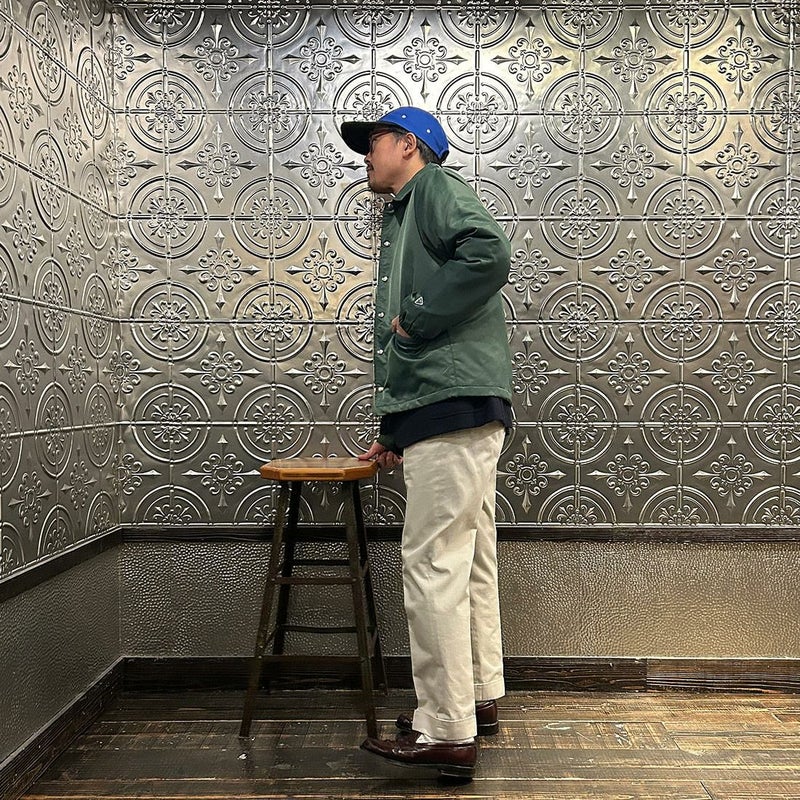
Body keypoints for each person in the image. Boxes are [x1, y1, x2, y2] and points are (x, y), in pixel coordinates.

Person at [339, 107, 514, 781]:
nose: (366, 155)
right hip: (454, 405)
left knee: (433, 563)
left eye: (373, 142)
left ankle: (444, 728)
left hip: (450, 402)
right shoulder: (409, 210)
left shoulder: (434, 189)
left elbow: (488, 252)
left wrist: (415, 316)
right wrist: (394, 432)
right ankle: (477, 697)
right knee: (467, 560)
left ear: (408, 145)